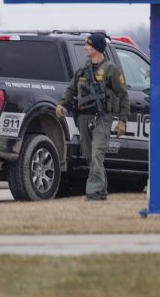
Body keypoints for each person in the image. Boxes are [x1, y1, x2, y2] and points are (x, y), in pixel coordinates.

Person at [55, 33, 129, 201]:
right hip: (83, 118)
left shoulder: (111, 70)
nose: (85, 48)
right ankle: (101, 190)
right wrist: (61, 104)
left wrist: (122, 121)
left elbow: (123, 95)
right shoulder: (82, 69)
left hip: (102, 118)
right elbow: (71, 89)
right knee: (89, 156)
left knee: (97, 153)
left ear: (97, 48)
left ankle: (93, 193)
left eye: (88, 45)